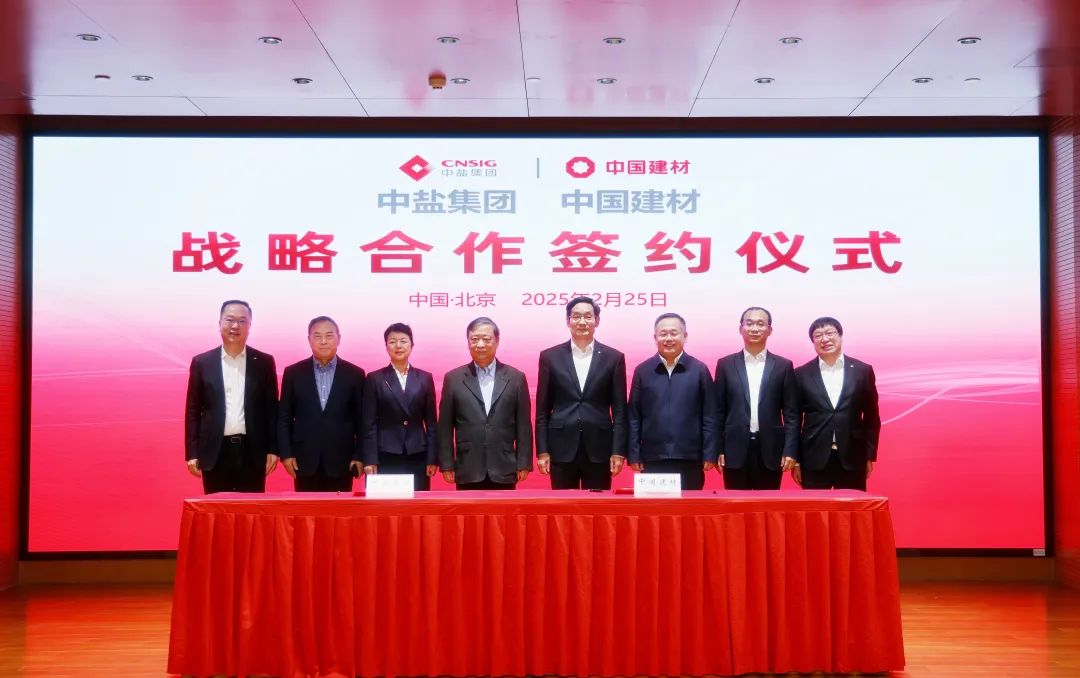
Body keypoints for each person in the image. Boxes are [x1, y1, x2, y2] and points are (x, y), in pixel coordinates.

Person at [184, 300, 278, 493]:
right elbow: (193, 410)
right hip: (215, 451)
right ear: (220, 323)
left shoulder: (264, 362)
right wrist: (192, 452)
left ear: (250, 326)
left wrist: (273, 449)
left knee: (250, 509)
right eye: (230, 320)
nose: (235, 326)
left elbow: (271, 409)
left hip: (252, 451)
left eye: (242, 321)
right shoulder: (203, 362)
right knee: (218, 508)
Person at [535, 296, 628, 489]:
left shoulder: (613, 358)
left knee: (597, 504)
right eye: (576, 316)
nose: (582, 322)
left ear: (597, 320)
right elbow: (542, 411)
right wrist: (543, 451)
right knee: (562, 505)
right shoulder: (550, 357)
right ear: (568, 321)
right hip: (561, 447)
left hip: (599, 448)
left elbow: (620, 411)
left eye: (588, 316)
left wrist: (618, 451)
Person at [438, 317, 532, 490]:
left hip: (504, 466)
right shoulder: (453, 378)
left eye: (486, 339)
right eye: (474, 339)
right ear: (468, 342)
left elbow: (523, 425)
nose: (480, 344)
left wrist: (523, 462)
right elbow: (445, 426)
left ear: (497, 341)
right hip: (467, 467)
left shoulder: (516, 378)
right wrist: (447, 464)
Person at [627, 313, 717, 490]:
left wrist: (709, 453)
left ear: (685, 336)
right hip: (652, 458)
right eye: (663, 334)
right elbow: (634, 417)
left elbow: (710, 415)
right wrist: (634, 453)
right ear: (655, 338)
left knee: (689, 506)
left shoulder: (699, 370)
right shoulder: (643, 371)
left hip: (690, 457)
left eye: (674, 333)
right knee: (655, 507)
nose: (668, 338)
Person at [277, 316, 366, 491]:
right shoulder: (293, 373)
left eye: (329, 335)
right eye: (317, 336)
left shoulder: (355, 374)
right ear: (309, 339)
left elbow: (362, 421)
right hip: (304, 461)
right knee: (306, 509)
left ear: (339, 338)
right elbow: (284, 418)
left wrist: (359, 455)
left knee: (340, 509)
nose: (323, 341)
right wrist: (286, 454)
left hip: (342, 461)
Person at [792, 317, 880, 491]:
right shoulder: (800, 374)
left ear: (840, 336)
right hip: (813, 457)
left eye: (830, 333)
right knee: (815, 507)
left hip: (852, 456)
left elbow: (872, 417)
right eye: (818, 335)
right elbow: (794, 420)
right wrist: (796, 460)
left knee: (851, 507)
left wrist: (869, 455)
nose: (824, 339)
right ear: (813, 342)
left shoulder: (862, 371)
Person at [714, 307, 798, 490]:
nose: (754, 328)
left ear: (770, 330)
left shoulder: (783, 366)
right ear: (741, 328)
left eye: (760, 324)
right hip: (734, 449)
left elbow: (791, 414)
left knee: (767, 504)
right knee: (735, 504)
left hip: (771, 449)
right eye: (749, 323)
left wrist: (790, 450)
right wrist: (718, 448)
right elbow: (717, 411)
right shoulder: (725, 364)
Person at [360, 323, 438, 490]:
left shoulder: (424, 378)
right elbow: (369, 424)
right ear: (386, 346)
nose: (398, 346)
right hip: (385, 454)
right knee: (386, 504)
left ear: (412, 345)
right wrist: (370, 459)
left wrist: (432, 458)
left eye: (403, 341)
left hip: (417, 454)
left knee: (417, 503)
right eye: (392, 341)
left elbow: (431, 423)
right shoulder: (375, 378)